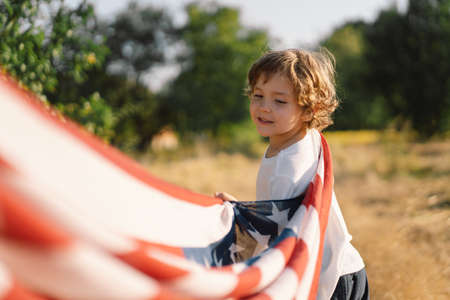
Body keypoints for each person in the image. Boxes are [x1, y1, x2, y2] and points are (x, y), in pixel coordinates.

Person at [215, 48, 369, 300]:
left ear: (309, 110)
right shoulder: (304, 137)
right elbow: (279, 214)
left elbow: (277, 235)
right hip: (346, 265)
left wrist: (238, 215)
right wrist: (244, 209)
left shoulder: (288, 168)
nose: (264, 107)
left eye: (280, 101)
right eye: (258, 95)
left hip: (327, 278)